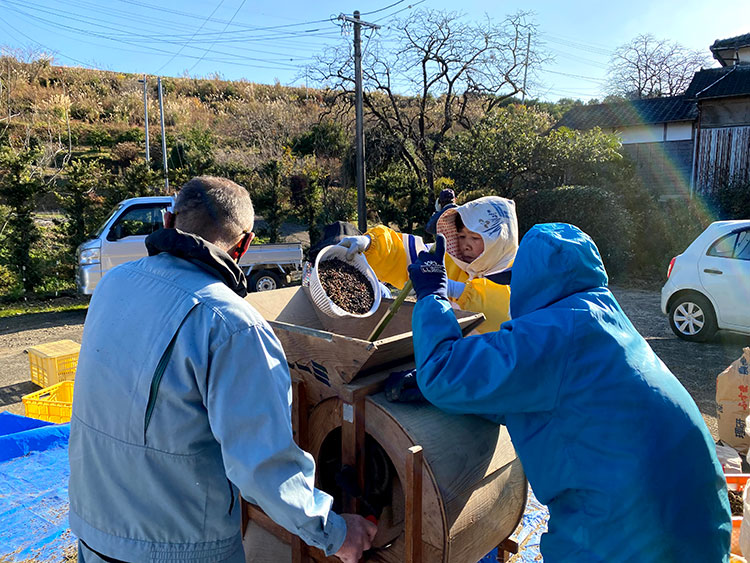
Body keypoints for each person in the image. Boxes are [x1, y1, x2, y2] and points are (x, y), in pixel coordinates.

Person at [68, 176, 376, 563]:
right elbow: (263, 468)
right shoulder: (232, 325)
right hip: (177, 548)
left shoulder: (114, 284)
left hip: (93, 530)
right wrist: (335, 532)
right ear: (244, 245)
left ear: (167, 221)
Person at [405, 223, 731, 562]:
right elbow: (568, 401)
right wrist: (481, 395)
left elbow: (441, 371)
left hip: (628, 538)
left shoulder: (555, 332)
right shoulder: (605, 319)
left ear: (529, 279)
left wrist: (432, 295)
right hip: (700, 529)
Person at [338, 196, 517, 334]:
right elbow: (407, 254)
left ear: (499, 240)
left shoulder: (515, 274)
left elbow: (499, 314)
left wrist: (451, 289)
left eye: (475, 238)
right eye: (461, 236)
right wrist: (370, 243)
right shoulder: (451, 258)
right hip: (442, 360)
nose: (466, 244)